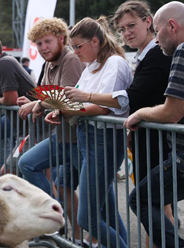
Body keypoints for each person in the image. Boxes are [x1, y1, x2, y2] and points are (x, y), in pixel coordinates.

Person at [64, 0, 174, 237]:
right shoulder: (146, 55)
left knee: (149, 206)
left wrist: (83, 100)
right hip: (141, 137)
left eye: (131, 25)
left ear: (149, 22)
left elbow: (131, 99)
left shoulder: (154, 55)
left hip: (154, 139)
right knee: (148, 207)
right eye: (122, 29)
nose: (127, 32)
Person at [48, 16, 133, 248]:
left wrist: (67, 108)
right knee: (104, 210)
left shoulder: (114, 63)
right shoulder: (92, 65)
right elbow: (80, 101)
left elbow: (103, 106)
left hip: (103, 140)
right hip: (89, 138)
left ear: (95, 41)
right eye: (72, 47)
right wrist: (60, 110)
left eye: (78, 46)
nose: (75, 52)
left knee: (88, 217)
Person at [16, 17, 85, 245]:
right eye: (39, 44)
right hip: (64, 137)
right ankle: (58, 222)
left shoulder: (71, 59)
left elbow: (66, 97)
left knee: (98, 203)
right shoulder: (48, 63)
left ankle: (69, 228)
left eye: (47, 41)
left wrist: (37, 104)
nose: (43, 47)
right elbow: (44, 93)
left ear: (61, 39)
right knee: (28, 164)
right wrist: (31, 100)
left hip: (80, 138)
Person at [124, 2, 184, 247]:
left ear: (171, 26)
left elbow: (172, 112)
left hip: (182, 157)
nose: (157, 40)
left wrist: (140, 114)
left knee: (142, 199)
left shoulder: (182, 51)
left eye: (157, 31)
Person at [0, 35, 36, 179]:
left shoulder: (5, 64)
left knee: (10, 173)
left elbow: (10, 99)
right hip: (23, 128)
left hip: (32, 129)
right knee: (10, 172)